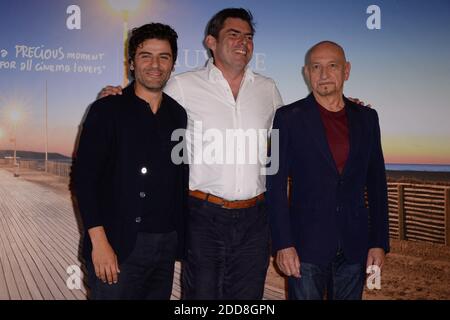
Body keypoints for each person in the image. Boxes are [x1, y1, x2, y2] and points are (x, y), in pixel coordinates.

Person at [100, 8, 283, 299]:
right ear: (211, 42)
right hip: (202, 217)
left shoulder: (268, 88)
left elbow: (293, 128)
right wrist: (115, 97)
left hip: (255, 220)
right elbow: (144, 96)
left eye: (248, 37)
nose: (243, 43)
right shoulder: (183, 86)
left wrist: (337, 103)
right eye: (233, 35)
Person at [266, 41, 389, 300]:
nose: (323, 74)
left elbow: (377, 184)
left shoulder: (368, 118)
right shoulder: (286, 118)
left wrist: (379, 242)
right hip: (304, 247)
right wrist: (283, 243)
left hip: (354, 246)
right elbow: (274, 185)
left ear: (347, 70)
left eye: (332, 66)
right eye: (316, 67)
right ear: (306, 73)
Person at [73, 23, 188, 300]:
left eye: (164, 56)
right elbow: (84, 180)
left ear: (173, 63)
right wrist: (99, 243)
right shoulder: (106, 110)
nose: (155, 65)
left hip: (164, 247)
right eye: (145, 55)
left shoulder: (178, 115)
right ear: (131, 63)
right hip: (117, 244)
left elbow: (177, 177)